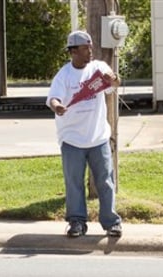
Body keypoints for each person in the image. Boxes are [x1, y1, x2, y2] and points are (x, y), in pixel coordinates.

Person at [46, 30, 123, 238]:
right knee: (74, 183)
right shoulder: (64, 75)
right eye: (85, 48)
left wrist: (113, 78)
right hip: (72, 139)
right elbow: (53, 98)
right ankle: (77, 222)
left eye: (90, 47)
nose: (90, 51)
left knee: (105, 181)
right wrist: (57, 106)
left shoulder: (98, 68)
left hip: (98, 137)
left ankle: (111, 222)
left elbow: (114, 84)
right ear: (73, 51)